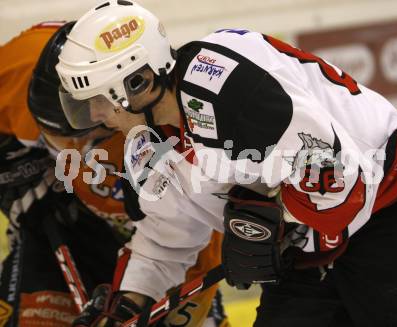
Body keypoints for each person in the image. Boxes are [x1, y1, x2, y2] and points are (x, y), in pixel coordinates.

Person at [56, 1, 397, 326]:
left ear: (138, 83)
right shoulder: (148, 143)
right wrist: (129, 304)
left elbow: (339, 181)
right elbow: (164, 238)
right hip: (316, 255)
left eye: (99, 99)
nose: (94, 114)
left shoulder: (225, 84)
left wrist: (273, 217)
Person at [1, 20, 228, 327]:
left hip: (168, 247)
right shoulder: (21, 63)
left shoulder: (163, 134)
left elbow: (183, 241)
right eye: (56, 137)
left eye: (86, 138)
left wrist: (151, 304)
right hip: (68, 224)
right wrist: (16, 172)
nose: (74, 150)